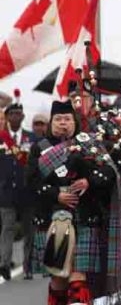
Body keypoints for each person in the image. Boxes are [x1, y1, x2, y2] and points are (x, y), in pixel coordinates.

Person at [32, 100, 121, 304]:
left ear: (75, 122)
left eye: (67, 119)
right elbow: (32, 181)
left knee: (78, 278)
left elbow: (109, 172)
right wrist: (57, 195)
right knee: (59, 279)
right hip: (53, 218)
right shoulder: (40, 148)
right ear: (51, 123)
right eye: (59, 119)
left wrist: (89, 181)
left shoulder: (88, 143)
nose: (63, 123)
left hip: (85, 217)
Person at [0, 100, 35, 281]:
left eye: (17, 114)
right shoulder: (1, 138)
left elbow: (36, 163)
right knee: (8, 228)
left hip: (27, 191)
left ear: (22, 116)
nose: (15, 117)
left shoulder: (32, 138)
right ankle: (4, 264)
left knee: (30, 230)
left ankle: (28, 265)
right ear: (6, 117)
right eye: (11, 114)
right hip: (6, 192)